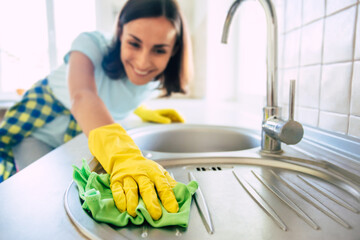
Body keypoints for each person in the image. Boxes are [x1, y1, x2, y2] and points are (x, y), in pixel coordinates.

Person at [0, 0, 193, 220]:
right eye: (134, 43)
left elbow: (115, 93)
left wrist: (142, 111)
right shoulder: (90, 43)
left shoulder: (150, 81)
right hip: (37, 130)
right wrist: (123, 155)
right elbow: (83, 95)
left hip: (80, 137)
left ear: (174, 50)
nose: (142, 62)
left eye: (159, 50)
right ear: (120, 33)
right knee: (44, 202)